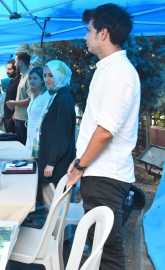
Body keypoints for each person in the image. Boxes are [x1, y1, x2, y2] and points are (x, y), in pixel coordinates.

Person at [66, 4, 139, 269]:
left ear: (103, 33)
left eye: (89, 30)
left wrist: (81, 165)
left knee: (107, 251)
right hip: (99, 172)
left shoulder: (119, 72)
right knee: (100, 248)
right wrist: (81, 164)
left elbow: (105, 131)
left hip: (106, 176)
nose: (85, 37)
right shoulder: (108, 69)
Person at [36, 60, 75, 207]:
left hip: (56, 166)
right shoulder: (57, 95)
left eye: (51, 75)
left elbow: (61, 134)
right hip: (52, 163)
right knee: (52, 208)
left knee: (56, 209)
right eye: (45, 75)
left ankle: (56, 232)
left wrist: (51, 162)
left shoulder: (63, 98)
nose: (46, 79)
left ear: (60, 76)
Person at [6, 52, 31, 145]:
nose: (15, 63)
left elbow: (31, 99)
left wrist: (15, 103)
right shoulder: (23, 77)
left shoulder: (29, 77)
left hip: (24, 119)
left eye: (16, 61)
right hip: (18, 118)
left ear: (20, 62)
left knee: (24, 147)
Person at [25, 67, 50, 154]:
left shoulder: (46, 96)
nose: (32, 81)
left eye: (35, 78)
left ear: (42, 80)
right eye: (30, 78)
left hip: (40, 138)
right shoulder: (33, 95)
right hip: (30, 136)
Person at [3, 60, 20, 133]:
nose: (7, 71)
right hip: (7, 116)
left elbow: (20, 98)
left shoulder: (19, 81)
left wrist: (14, 114)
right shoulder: (11, 81)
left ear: (16, 70)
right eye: (7, 69)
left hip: (13, 117)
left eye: (9, 69)